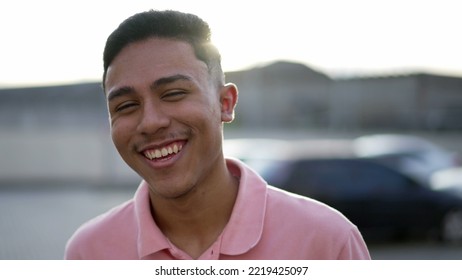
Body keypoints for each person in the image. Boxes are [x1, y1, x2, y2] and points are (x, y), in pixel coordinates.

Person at [64, 9, 370, 260]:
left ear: (225, 103)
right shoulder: (89, 253)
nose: (151, 122)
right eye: (127, 105)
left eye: (172, 93)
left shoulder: (327, 242)